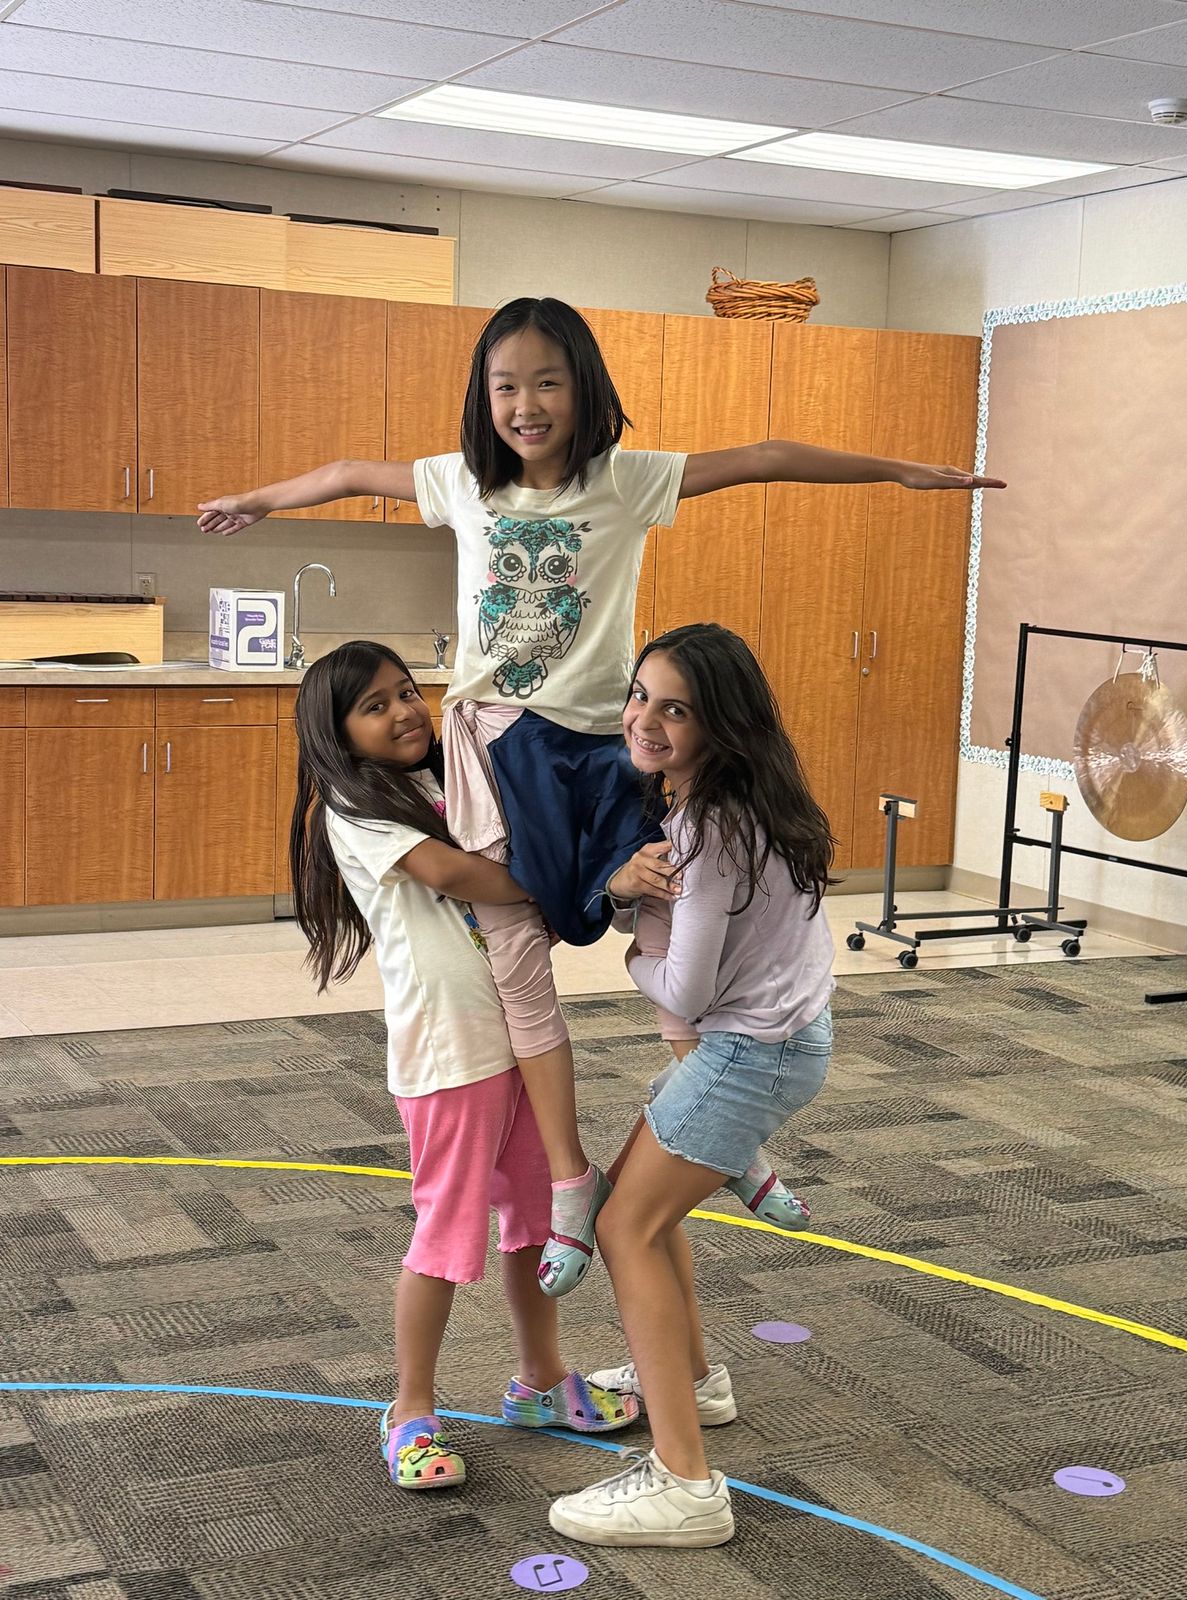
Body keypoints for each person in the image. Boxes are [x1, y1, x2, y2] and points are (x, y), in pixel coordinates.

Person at [199, 296, 1003, 1299]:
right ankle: (572, 1179)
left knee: (667, 892)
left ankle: (713, 1115)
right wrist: (261, 499)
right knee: (516, 940)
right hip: (499, 738)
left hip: (606, 739)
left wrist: (897, 470)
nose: (525, 404)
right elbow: (347, 474)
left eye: (547, 382)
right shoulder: (461, 484)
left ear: (583, 389)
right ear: (481, 398)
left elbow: (759, 454)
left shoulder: (627, 482)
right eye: (505, 386)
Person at [287, 639, 638, 1491]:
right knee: (444, 1239)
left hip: (514, 1042)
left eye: (407, 691)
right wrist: (563, 880)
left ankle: (541, 1381)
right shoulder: (353, 807)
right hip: (449, 1057)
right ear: (337, 734)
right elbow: (455, 872)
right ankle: (408, 1410)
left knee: (529, 1222)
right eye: (375, 705)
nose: (405, 710)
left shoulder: (443, 777)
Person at [549, 623, 838, 1548]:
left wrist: (635, 929)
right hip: (775, 1039)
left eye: (676, 708)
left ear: (722, 723)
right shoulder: (736, 801)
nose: (646, 720)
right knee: (641, 1212)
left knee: (621, 1225)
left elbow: (685, 990)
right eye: (641, 696)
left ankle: (685, 1484)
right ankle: (697, 1384)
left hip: (752, 1052)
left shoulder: (710, 830)